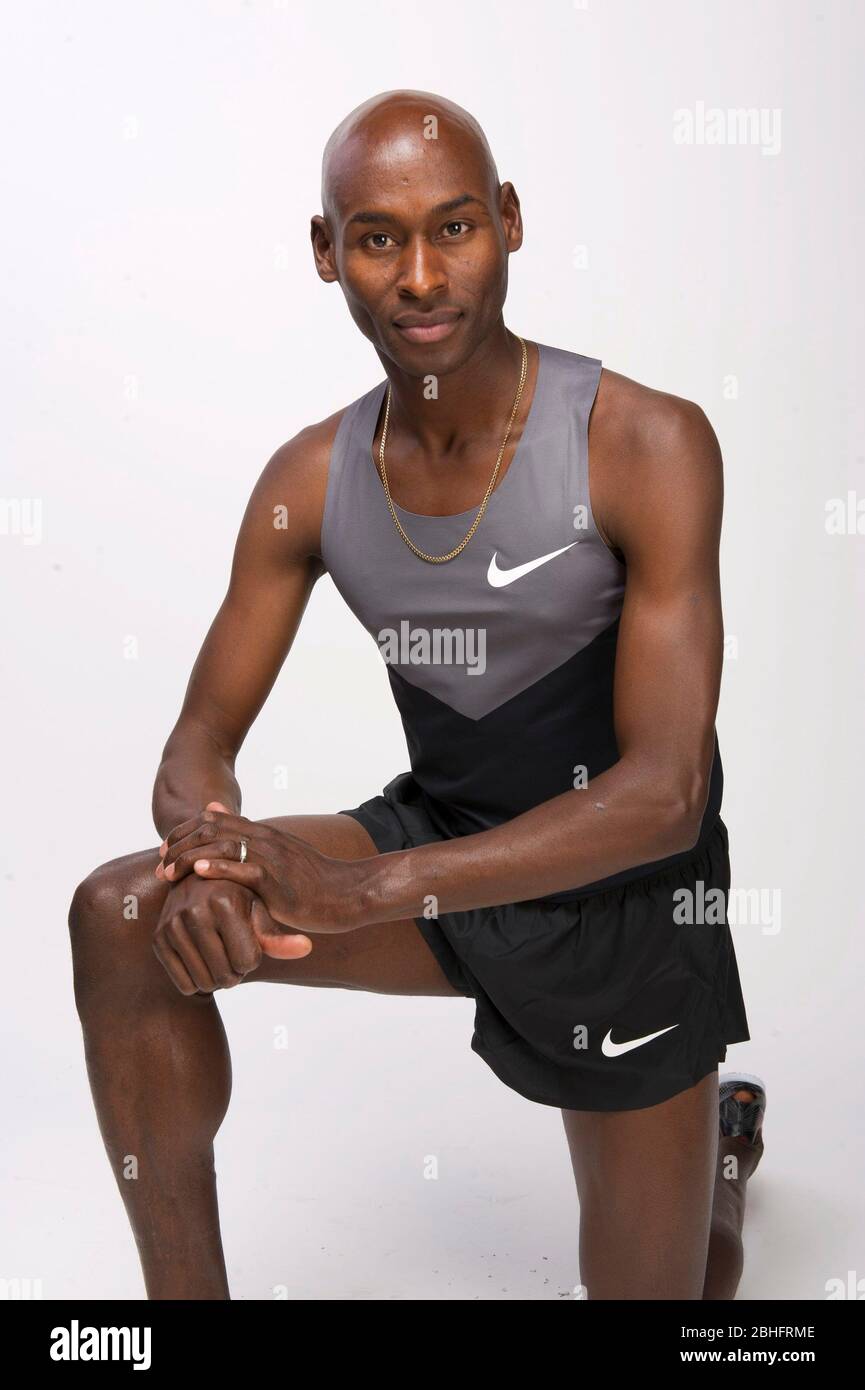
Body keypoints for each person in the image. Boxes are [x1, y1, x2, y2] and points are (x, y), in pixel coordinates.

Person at [68, 88, 764, 1301]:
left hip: (627, 903)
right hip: (444, 840)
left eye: (455, 228)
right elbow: (197, 745)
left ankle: (718, 1172)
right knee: (120, 917)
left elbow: (662, 796)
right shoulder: (308, 480)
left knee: (680, 1294)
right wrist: (200, 861)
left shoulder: (644, 443)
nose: (423, 274)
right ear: (326, 252)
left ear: (508, 222)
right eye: (380, 238)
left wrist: (361, 888)